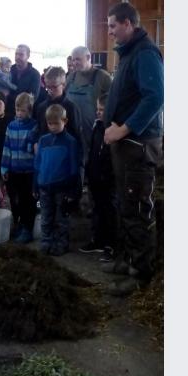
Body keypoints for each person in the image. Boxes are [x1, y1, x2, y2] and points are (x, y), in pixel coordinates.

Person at [101, 2, 164, 296]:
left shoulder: (146, 53)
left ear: (129, 24)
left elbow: (155, 99)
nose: (110, 31)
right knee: (126, 204)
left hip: (138, 144)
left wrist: (123, 129)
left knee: (138, 207)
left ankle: (140, 273)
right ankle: (127, 260)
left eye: (113, 25)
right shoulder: (129, 53)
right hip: (125, 144)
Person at [32, 104, 81, 256]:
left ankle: (61, 243)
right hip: (44, 186)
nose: (52, 127)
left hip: (62, 188)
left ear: (64, 121)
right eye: (49, 123)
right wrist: (35, 183)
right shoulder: (44, 140)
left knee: (61, 218)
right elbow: (38, 163)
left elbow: (74, 167)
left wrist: (73, 190)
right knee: (46, 216)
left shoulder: (70, 142)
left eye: (56, 123)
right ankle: (46, 242)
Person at [79, 94, 117, 261]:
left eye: (102, 110)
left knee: (110, 212)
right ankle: (98, 240)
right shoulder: (97, 126)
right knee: (97, 210)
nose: (98, 113)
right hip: (95, 178)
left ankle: (111, 245)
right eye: (98, 109)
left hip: (109, 180)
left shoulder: (115, 131)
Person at [1, 92, 38, 243]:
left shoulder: (34, 126)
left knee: (29, 201)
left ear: (30, 110)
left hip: (28, 172)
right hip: (14, 171)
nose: (19, 113)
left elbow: (34, 150)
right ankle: (20, 225)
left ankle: (28, 229)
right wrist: (4, 168)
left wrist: (30, 143)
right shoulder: (11, 126)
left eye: (23, 110)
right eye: (17, 110)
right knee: (17, 200)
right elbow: (7, 148)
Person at [67, 45, 113, 161]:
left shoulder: (103, 77)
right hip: (72, 130)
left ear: (88, 57)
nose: (74, 62)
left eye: (78, 59)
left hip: (93, 132)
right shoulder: (70, 77)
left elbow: (112, 104)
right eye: (73, 59)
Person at [32, 66, 83, 146]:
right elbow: (38, 130)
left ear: (63, 85)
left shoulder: (71, 108)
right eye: (48, 87)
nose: (51, 90)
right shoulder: (41, 107)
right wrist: (35, 143)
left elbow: (77, 136)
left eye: (55, 87)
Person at [5, 44, 47, 116]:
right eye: (16, 54)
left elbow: (32, 98)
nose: (17, 57)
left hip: (26, 115)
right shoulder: (9, 70)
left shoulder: (35, 74)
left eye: (21, 55)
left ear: (28, 56)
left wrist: (9, 95)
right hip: (8, 113)